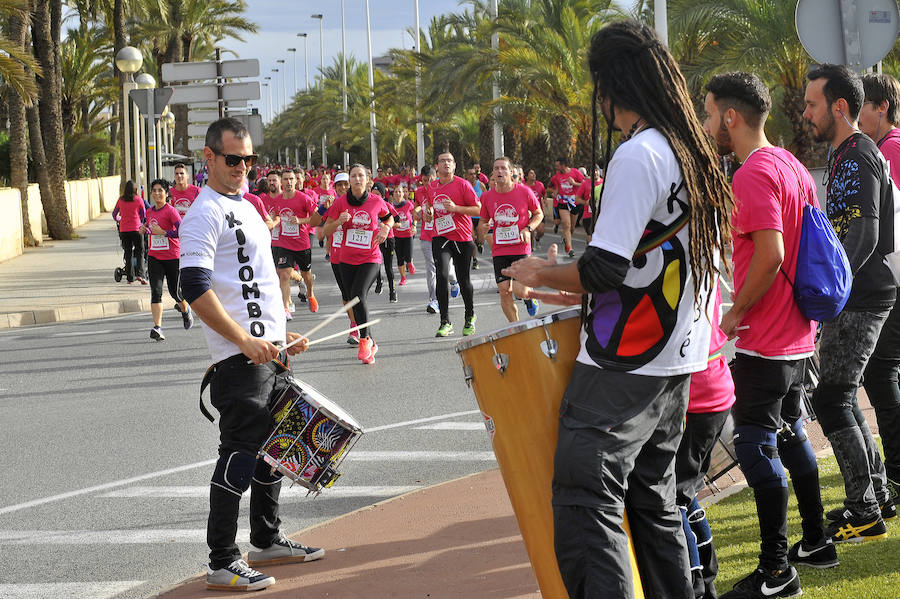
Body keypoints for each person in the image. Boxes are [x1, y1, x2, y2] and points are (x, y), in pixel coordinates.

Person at [503, 20, 733, 599]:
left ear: (608, 85)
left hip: (623, 364)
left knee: (585, 500)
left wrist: (535, 271)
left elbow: (604, 270)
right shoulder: (692, 150)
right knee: (653, 502)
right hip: (676, 358)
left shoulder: (641, 155)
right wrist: (557, 286)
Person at [178, 117, 321, 592]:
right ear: (210, 157)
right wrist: (243, 341)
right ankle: (222, 559)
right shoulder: (205, 212)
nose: (242, 167)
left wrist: (281, 337)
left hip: (270, 353)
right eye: (232, 159)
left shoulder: (250, 207)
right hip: (240, 362)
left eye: (248, 159)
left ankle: (266, 537)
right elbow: (193, 286)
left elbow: (255, 287)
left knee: (274, 450)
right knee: (239, 455)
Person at [705, 72, 833, 598]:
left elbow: (773, 253)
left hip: (769, 336)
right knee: (791, 432)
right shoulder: (791, 164)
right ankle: (817, 541)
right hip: (800, 333)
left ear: (731, 117)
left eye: (710, 114)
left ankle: (777, 571)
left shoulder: (753, 174)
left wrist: (735, 314)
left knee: (756, 444)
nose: (708, 123)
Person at [803, 64, 897, 544]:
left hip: (862, 294)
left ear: (839, 107)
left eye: (812, 104)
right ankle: (875, 496)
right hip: (859, 291)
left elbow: (865, 233)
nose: (805, 114)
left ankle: (864, 511)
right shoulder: (848, 153)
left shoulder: (858, 155)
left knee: (832, 397)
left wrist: (832, 292)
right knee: (843, 392)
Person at [676, 284, 734, 599]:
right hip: (712, 391)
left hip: (695, 397)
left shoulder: (679, 264)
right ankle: (706, 582)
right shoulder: (701, 262)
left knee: (672, 500)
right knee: (685, 494)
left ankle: (696, 585)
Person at [859, 72, 900, 507]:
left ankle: (898, 469)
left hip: (893, 279)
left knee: (880, 372)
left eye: (863, 107)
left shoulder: (889, 150)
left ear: (881, 107)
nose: (859, 116)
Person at [323, 164, 393, 364]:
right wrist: (338, 222)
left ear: (367, 180)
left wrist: (385, 229)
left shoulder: (376, 201)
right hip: (346, 258)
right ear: (350, 180)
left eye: (360, 175)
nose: (357, 179)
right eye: (353, 176)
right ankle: (370, 340)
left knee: (358, 294)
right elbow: (325, 231)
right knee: (354, 298)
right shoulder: (340, 203)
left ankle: (363, 340)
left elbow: (389, 219)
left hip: (370, 257)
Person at [422, 152, 481, 337]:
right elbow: (430, 208)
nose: (446, 163)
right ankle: (445, 321)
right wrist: (428, 214)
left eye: (449, 161)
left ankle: (470, 315)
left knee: (464, 281)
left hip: (462, 238)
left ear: (454, 165)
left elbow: (478, 208)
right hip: (440, 236)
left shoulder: (463, 184)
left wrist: (456, 208)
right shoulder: (431, 187)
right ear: (437, 166)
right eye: (442, 161)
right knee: (441, 274)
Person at [477, 156, 543, 321]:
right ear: (493, 172)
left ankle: (530, 297)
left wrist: (528, 229)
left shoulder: (524, 191)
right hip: (500, 250)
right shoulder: (487, 197)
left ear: (511, 172)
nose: (499, 171)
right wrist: (484, 229)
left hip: (520, 247)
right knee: (504, 290)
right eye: (496, 168)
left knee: (520, 291)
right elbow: (483, 221)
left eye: (503, 168)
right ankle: (515, 327)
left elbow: (538, 213)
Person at [141, 178, 193, 340]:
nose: (157, 193)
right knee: (155, 292)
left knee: (175, 292)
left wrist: (163, 232)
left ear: (166, 193)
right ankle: (158, 327)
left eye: (160, 191)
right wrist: (144, 229)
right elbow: (149, 229)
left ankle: (185, 310)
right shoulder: (149, 212)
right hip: (154, 256)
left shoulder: (171, 211)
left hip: (172, 257)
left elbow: (181, 231)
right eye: (154, 190)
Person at [273, 169, 319, 317]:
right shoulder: (278, 200)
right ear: (281, 182)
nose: (289, 182)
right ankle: (285, 308)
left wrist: (301, 221)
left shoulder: (303, 198)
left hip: (301, 243)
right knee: (284, 274)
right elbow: (275, 216)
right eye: (285, 179)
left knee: (306, 274)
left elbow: (316, 217)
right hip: (284, 242)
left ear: (296, 181)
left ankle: (310, 294)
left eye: (291, 179)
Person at [414, 165, 458, 314]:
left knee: (447, 269)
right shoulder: (419, 192)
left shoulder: (443, 189)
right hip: (427, 235)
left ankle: (453, 281)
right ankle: (434, 300)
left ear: (436, 177)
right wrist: (416, 213)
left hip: (444, 233)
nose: (427, 183)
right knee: (431, 267)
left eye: (430, 180)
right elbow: (418, 207)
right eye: (424, 180)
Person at [548, 157, 585, 258]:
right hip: (563, 202)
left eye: (558, 165)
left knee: (572, 227)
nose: (556, 167)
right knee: (566, 224)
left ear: (563, 165)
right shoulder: (556, 176)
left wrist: (574, 183)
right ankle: (569, 248)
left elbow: (585, 184)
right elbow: (552, 186)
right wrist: (555, 192)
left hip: (574, 202)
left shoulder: (575, 172)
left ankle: (566, 238)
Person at [112, 179, 147, 285]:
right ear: (135, 190)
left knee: (128, 253)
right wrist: (139, 220)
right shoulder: (138, 200)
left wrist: (120, 220)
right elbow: (144, 214)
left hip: (124, 230)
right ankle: (140, 274)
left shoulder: (120, 200)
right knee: (140, 251)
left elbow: (114, 214)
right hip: (137, 229)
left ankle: (130, 278)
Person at [391, 184, 417, 287]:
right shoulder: (391, 207)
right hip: (396, 235)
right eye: (396, 192)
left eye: (399, 192)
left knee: (408, 256)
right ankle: (403, 277)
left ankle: (409, 263)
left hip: (408, 234)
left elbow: (414, 216)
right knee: (399, 258)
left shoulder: (409, 204)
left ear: (403, 194)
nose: (398, 194)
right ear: (393, 195)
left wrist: (414, 225)